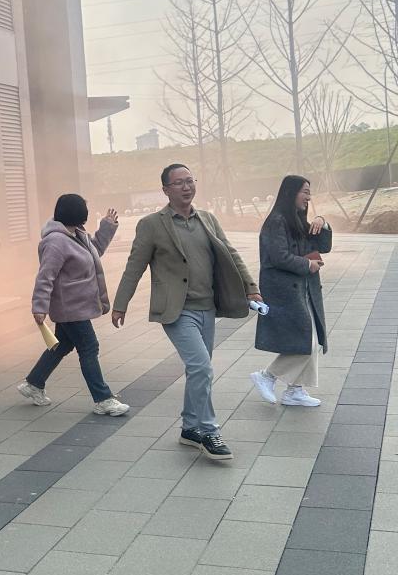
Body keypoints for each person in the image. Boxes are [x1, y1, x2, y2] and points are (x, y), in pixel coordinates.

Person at [111, 164, 261, 462]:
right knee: (201, 368)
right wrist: (120, 303)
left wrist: (251, 287)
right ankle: (208, 431)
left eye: (190, 181)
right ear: (166, 190)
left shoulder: (207, 219)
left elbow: (230, 252)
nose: (186, 186)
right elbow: (134, 266)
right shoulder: (152, 224)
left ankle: (190, 428)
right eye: (179, 182)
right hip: (177, 311)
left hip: (207, 307)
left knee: (198, 370)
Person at [17, 194, 130, 416]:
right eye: (84, 209)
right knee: (89, 347)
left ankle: (33, 384)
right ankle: (103, 399)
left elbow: (95, 251)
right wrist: (39, 306)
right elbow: (45, 276)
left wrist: (107, 227)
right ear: (77, 213)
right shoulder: (55, 242)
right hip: (70, 307)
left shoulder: (77, 234)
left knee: (63, 345)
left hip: (77, 305)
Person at [250, 176, 331, 408]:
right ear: (290, 192)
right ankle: (267, 376)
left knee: (309, 340)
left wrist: (322, 222)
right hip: (284, 291)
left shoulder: (297, 220)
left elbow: (323, 246)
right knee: (306, 341)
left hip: (302, 289)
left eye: (309, 193)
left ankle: (295, 391)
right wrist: (307, 265)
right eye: (305, 192)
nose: (308, 197)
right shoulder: (276, 221)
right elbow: (278, 257)